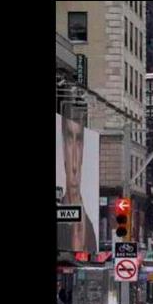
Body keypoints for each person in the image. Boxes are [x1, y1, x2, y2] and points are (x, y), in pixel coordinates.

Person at [57, 103, 98, 254]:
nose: (74, 161)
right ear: (62, 146)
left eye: (79, 140)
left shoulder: (91, 230)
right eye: (69, 139)